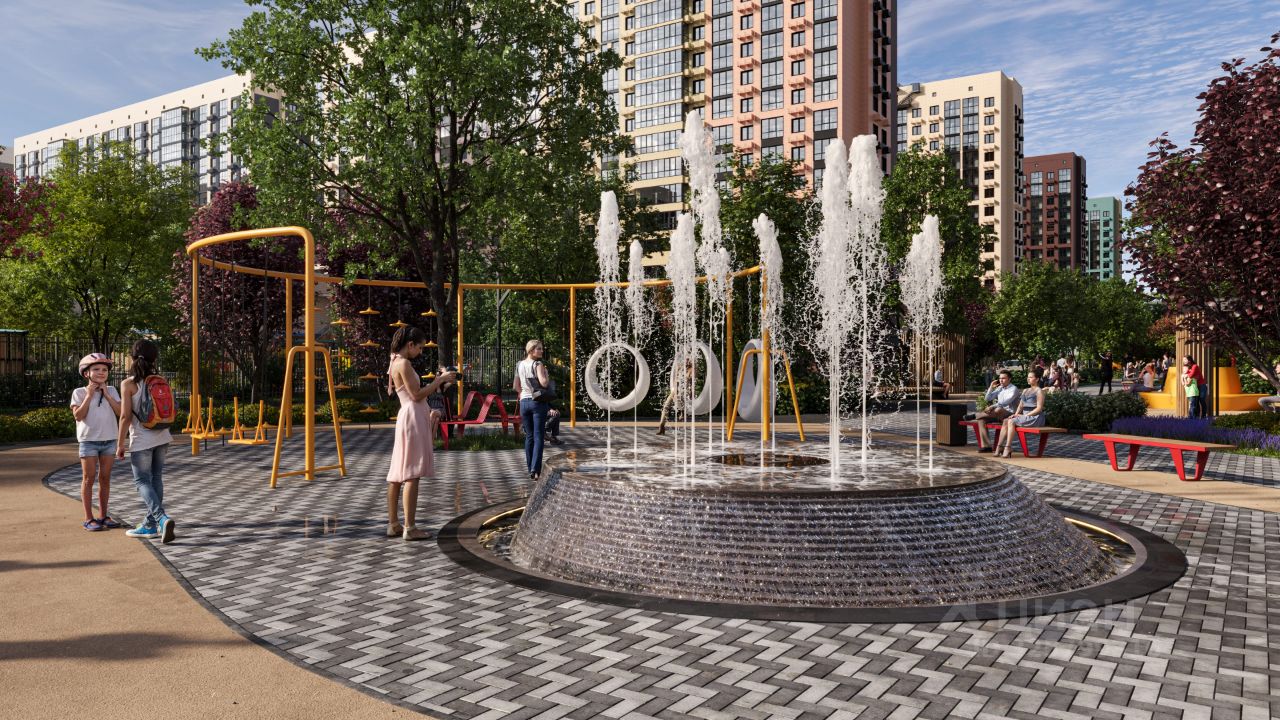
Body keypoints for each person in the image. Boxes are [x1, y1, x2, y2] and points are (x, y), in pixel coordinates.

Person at [386, 326, 456, 540]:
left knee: (397, 474)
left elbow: (414, 394)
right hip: (413, 416)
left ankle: (393, 524)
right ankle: (410, 527)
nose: (421, 352)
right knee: (412, 473)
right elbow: (416, 395)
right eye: (420, 347)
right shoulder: (404, 363)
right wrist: (439, 381)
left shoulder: (394, 361)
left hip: (407, 415)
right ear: (410, 345)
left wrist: (438, 384)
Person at [115, 340, 175, 543]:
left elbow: (125, 416)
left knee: (141, 481)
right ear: (154, 359)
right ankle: (150, 525)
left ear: (132, 357)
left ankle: (161, 519)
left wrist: (120, 444)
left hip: (142, 439)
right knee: (156, 478)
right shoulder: (160, 380)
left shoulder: (128, 384)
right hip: (163, 435)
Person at [72, 353, 122, 532]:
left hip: (109, 440)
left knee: (105, 478)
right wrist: (89, 395)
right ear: (86, 373)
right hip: (89, 441)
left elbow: (120, 412)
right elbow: (78, 416)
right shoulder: (78, 392)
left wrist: (107, 394)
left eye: (104, 370)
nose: (101, 372)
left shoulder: (112, 390)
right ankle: (88, 518)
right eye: (96, 369)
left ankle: (103, 515)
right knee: (89, 478)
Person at [514, 339, 552, 479]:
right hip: (537, 403)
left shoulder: (519, 364)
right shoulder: (538, 364)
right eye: (539, 349)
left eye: (541, 348)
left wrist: (524, 394)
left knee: (529, 436)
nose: (542, 351)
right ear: (531, 350)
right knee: (538, 436)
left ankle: (530, 467)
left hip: (524, 403)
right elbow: (544, 383)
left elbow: (516, 386)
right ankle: (535, 470)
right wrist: (546, 374)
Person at [995, 368, 1046, 458]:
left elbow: (1039, 409)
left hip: (1035, 417)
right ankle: (999, 447)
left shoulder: (1039, 391)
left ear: (1037, 379)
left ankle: (1008, 447)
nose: (1028, 379)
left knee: (1011, 421)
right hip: (1025, 416)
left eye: (1031, 377)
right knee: (1006, 420)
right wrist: (1016, 414)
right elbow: (1021, 405)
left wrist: (1024, 415)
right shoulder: (1026, 390)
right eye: (1028, 377)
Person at [968, 370, 1019, 453]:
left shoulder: (1013, 389)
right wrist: (991, 387)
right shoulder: (1000, 388)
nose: (1001, 380)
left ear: (1009, 379)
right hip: (997, 415)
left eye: (1003, 378)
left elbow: (1005, 402)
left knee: (998, 409)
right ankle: (986, 446)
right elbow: (987, 398)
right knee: (981, 420)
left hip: (1009, 414)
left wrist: (992, 406)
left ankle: (976, 415)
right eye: (1000, 378)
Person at [656, 357, 696, 436]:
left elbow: (692, 384)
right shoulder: (680, 367)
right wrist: (674, 392)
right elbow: (675, 381)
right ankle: (661, 427)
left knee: (681, 402)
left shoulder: (692, 370)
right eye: (685, 359)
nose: (686, 361)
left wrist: (691, 393)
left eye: (688, 359)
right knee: (666, 406)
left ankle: (683, 412)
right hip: (676, 390)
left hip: (684, 391)